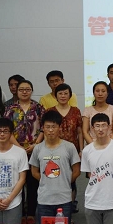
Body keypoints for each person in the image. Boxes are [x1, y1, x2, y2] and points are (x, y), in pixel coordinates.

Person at [4, 79, 44, 224]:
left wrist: (36, 144)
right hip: (15, 150)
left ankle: (31, 213)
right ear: (17, 91)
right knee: (18, 182)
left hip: (35, 150)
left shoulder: (38, 107)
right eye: (21, 89)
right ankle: (20, 213)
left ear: (32, 91)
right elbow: (7, 130)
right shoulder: (10, 108)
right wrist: (18, 147)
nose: (24, 92)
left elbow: (43, 128)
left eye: (27, 89)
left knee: (33, 182)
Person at [30, 110, 81, 224]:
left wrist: (65, 180)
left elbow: (76, 171)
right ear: (43, 128)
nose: (51, 130)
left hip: (64, 199)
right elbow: (34, 171)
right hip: (44, 199)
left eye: (54, 127)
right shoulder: (38, 148)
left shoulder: (69, 147)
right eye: (47, 127)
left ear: (59, 128)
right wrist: (46, 180)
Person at [81, 113, 113, 224]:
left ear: (109, 127)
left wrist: (112, 183)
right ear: (92, 129)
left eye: (103, 125)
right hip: (92, 202)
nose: (100, 129)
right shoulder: (87, 150)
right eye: (97, 126)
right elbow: (90, 174)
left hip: (112, 202)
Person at [47, 83, 83, 213]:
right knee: (55, 176)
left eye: (65, 93)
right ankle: (55, 206)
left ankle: (69, 208)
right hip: (55, 150)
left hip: (72, 150)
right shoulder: (50, 111)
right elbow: (46, 130)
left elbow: (80, 132)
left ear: (70, 95)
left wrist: (81, 150)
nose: (63, 96)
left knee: (71, 178)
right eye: (60, 93)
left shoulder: (76, 111)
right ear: (56, 96)